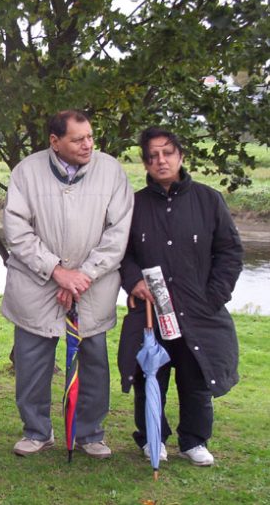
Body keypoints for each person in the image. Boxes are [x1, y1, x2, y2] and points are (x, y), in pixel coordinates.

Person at [1, 110, 133, 459]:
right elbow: (17, 230)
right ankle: (36, 431)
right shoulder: (26, 172)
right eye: (78, 139)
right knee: (31, 362)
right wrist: (57, 271)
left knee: (93, 363)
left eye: (90, 136)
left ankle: (90, 433)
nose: (87, 144)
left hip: (92, 286)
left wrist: (82, 275)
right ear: (54, 142)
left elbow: (118, 233)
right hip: (36, 283)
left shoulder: (111, 172)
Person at [118, 127, 243, 466]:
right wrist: (133, 283)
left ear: (181, 156)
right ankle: (152, 438)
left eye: (167, 153)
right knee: (149, 376)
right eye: (153, 155)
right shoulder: (134, 205)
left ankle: (194, 441)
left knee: (196, 378)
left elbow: (230, 253)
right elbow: (123, 254)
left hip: (198, 312)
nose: (161, 160)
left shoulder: (209, 199)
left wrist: (213, 296)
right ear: (145, 162)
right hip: (150, 312)